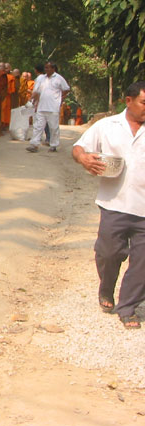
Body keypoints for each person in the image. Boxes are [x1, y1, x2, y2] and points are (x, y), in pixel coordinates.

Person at [72, 81, 145, 329]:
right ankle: (106, 289)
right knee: (108, 253)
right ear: (128, 101)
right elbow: (79, 147)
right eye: (144, 103)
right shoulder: (107, 126)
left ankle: (128, 307)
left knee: (143, 261)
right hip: (114, 203)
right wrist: (83, 158)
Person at [27, 61, 70, 153]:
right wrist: (32, 100)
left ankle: (53, 145)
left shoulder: (59, 78)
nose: (46, 69)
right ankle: (34, 145)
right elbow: (37, 91)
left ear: (53, 69)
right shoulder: (42, 78)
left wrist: (61, 98)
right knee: (38, 126)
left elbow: (66, 89)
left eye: (48, 68)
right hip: (41, 107)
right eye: (45, 68)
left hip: (53, 107)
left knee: (53, 127)